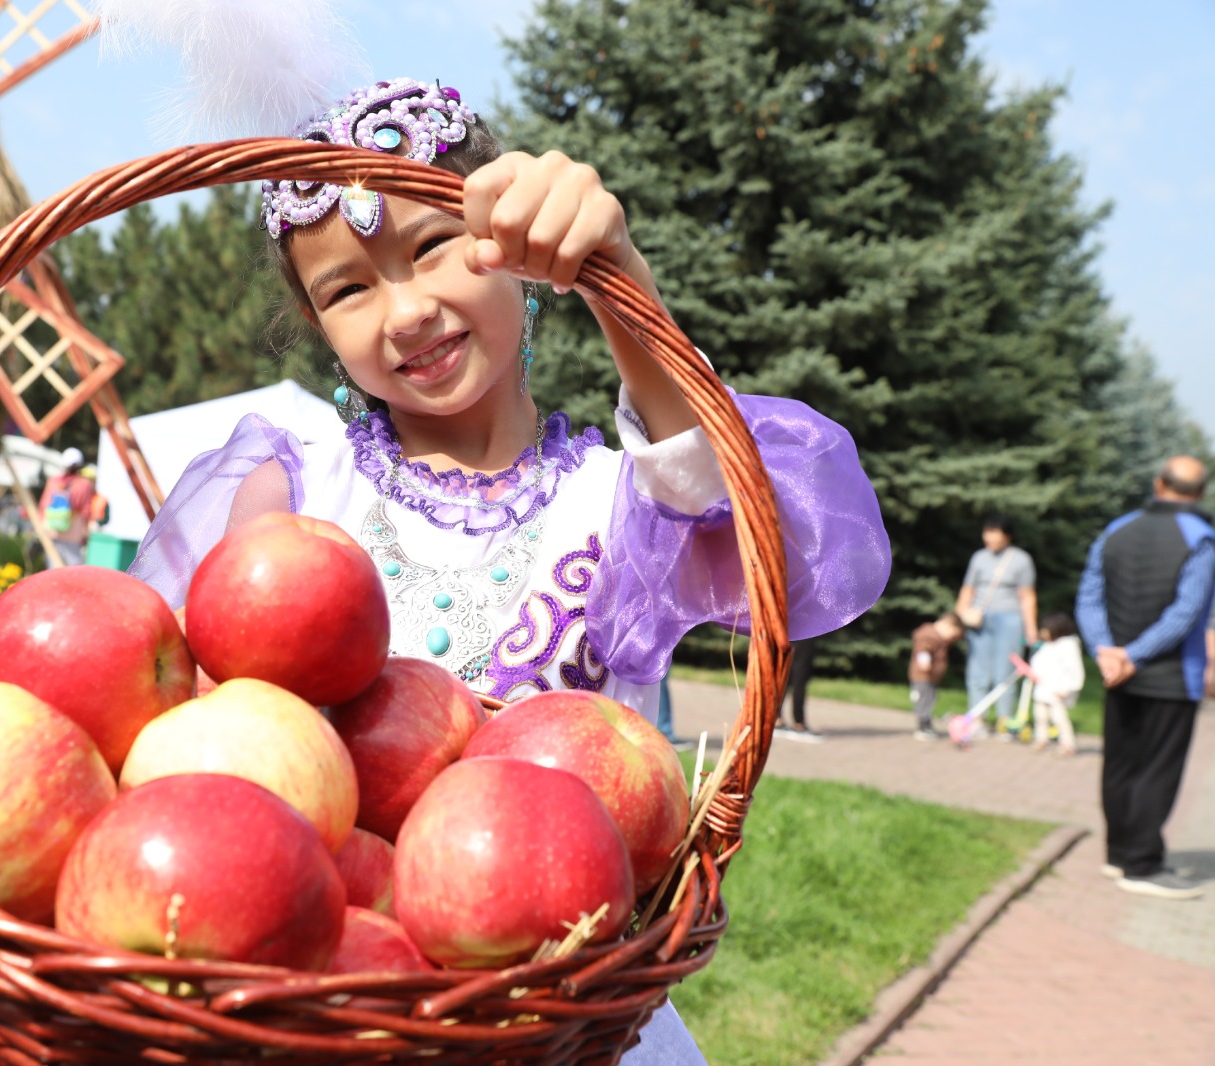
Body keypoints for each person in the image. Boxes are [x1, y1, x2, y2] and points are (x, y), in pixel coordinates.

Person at [125, 78, 892, 1062]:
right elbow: (210, 716)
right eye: (347, 290)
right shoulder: (296, 481)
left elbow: (782, 546)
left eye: (431, 246)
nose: (403, 312)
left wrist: (620, 281)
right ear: (316, 328)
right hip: (328, 991)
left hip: (563, 1005)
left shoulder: (623, 500)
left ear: (511, 246)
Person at [1076, 455, 1214, 901]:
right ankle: (1142, 864)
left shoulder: (1117, 529)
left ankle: (1118, 855)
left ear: (1158, 484)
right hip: (1172, 677)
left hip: (1118, 675)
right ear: (1200, 492)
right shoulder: (1202, 539)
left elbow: (1089, 597)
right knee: (1157, 771)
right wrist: (1132, 655)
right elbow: (1187, 613)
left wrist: (1107, 653)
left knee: (1119, 766)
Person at [956, 514, 1037, 734]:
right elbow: (968, 590)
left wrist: (1031, 629)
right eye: (986, 531)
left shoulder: (1021, 560)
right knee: (977, 670)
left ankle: (1005, 721)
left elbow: (1027, 596)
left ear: (1007, 535)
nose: (988, 537)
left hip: (1010, 620)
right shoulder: (978, 558)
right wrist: (959, 617)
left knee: (1006, 671)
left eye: (994, 532)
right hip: (979, 619)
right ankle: (977, 719)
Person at [1028, 611, 1084, 756]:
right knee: (1040, 716)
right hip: (1043, 689)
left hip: (1057, 690)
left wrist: (1067, 688)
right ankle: (1041, 738)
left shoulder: (1068, 647)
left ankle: (1068, 743)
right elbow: (1039, 662)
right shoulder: (1047, 646)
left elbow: (1075, 670)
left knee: (1059, 717)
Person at [908, 612, 965, 740]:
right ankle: (923, 727)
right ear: (948, 626)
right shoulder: (929, 636)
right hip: (923, 676)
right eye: (953, 635)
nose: (951, 639)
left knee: (929, 699)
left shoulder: (939, 638)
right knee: (924, 700)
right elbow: (923, 649)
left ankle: (926, 724)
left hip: (930, 678)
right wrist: (924, 661)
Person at [38, 447, 97, 566]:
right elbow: (86, 511)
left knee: (53, 568)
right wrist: (85, 533)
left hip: (53, 530)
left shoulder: (53, 481)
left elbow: (44, 505)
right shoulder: (84, 485)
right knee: (73, 569)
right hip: (73, 533)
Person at [776, 637, 823, 742]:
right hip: (805, 630)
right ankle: (799, 724)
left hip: (787, 630)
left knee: (784, 672)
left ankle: (777, 719)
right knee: (800, 674)